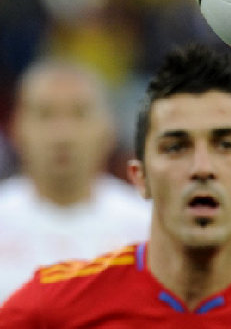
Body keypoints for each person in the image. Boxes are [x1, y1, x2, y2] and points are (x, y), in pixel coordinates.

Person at [0, 45, 231, 328]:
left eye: (226, 144)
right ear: (139, 175)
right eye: (176, 146)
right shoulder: (41, 311)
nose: (202, 168)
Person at [0, 60, 150, 302]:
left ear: (108, 128)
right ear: (16, 128)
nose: (62, 134)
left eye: (80, 114)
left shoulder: (147, 229)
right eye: (45, 114)